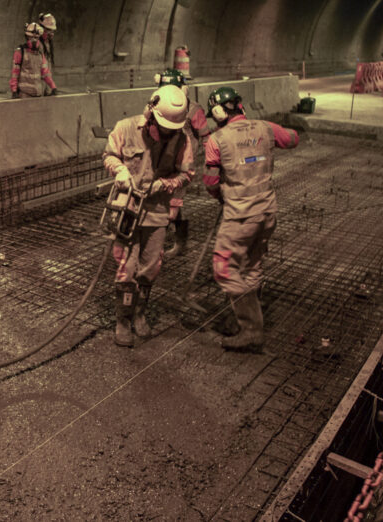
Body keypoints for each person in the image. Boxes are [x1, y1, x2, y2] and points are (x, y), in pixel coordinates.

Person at [202, 87, 298, 352]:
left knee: (225, 268)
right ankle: (252, 314)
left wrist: (221, 194)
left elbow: (210, 181)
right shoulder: (265, 127)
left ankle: (251, 328)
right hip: (267, 213)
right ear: (240, 106)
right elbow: (293, 138)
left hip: (240, 217)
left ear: (218, 112)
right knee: (252, 265)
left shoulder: (216, 139)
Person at [103, 85, 196, 347]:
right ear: (152, 113)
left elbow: (187, 175)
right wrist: (120, 170)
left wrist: (165, 185)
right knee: (126, 267)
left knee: (150, 267)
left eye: (172, 129)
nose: (168, 132)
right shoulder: (125, 128)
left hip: (156, 211)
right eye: (164, 126)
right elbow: (109, 155)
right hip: (128, 208)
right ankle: (123, 321)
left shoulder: (182, 139)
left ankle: (140, 314)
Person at [152, 67, 210, 257]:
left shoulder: (193, 110)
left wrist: (212, 162)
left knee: (171, 210)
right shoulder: (156, 106)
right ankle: (178, 241)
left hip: (182, 167)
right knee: (161, 202)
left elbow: (206, 137)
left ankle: (159, 246)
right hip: (161, 162)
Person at [10, 22, 58, 98]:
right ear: (27, 37)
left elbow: (45, 72)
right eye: (31, 37)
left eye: (36, 38)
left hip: (38, 93)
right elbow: (15, 74)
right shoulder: (20, 52)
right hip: (24, 94)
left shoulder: (40, 54)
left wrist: (53, 86)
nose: (34, 40)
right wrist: (14, 90)